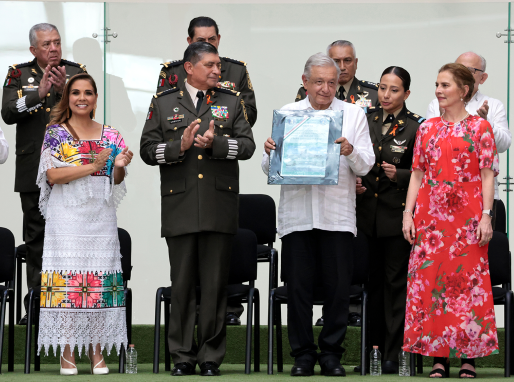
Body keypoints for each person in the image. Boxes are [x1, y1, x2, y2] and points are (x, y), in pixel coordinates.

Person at [140, 41, 255, 377]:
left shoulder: (231, 101)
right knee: (182, 284)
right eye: (210, 65)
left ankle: (209, 357)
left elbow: (246, 146)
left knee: (216, 284)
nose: (217, 71)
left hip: (219, 205)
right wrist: (181, 145)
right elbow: (148, 150)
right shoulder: (163, 103)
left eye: (218, 65)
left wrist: (216, 144)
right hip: (181, 204)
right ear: (189, 68)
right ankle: (181, 356)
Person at [262, 52, 374, 377]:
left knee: (338, 290)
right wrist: (271, 152)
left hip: (337, 217)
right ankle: (302, 355)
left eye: (331, 82)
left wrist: (350, 151)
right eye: (319, 82)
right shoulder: (287, 114)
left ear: (339, 82)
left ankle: (331, 355)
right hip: (297, 216)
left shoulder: (353, 115)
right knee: (298, 289)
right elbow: (269, 169)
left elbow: (366, 164)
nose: (325, 89)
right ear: (305, 82)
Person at [402, 63, 499, 378]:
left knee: (467, 285)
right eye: (437, 85)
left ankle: (468, 358)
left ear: (464, 90)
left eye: (445, 85)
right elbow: (417, 174)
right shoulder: (427, 127)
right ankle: (438, 357)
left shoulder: (479, 127)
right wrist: (408, 213)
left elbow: (487, 175)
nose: (439, 91)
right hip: (430, 218)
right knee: (432, 284)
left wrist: (486, 216)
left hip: (467, 217)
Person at [36, 73, 131, 375]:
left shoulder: (111, 135)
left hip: (100, 218)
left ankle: (97, 352)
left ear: (95, 98)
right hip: (66, 218)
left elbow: (115, 180)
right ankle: (67, 353)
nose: (82, 98)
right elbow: (52, 176)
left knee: (99, 284)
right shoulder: (56, 133)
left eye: (88, 93)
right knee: (69, 283)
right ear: (67, 98)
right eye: (75, 92)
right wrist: (92, 165)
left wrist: (118, 167)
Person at [1, 23, 87, 325]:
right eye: (46, 44)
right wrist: (38, 94)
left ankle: (69, 304)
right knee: (36, 238)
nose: (53, 49)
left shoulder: (75, 71)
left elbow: (88, 111)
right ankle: (38, 307)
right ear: (33, 50)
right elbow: (8, 113)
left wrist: (65, 90)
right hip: (32, 169)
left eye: (57, 43)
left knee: (70, 237)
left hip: (70, 168)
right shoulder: (18, 73)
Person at [354, 66, 425, 374]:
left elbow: (425, 172)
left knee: (396, 287)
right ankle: (371, 354)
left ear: (406, 94)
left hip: (397, 219)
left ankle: (393, 355)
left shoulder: (415, 126)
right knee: (370, 287)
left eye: (393, 90)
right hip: (365, 217)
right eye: (382, 88)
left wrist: (403, 175)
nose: (385, 95)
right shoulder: (364, 119)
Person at [425, 52, 511, 222]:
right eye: (456, 69)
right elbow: (429, 148)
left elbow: (503, 145)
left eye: (468, 70)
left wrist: (486, 125)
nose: (461, 74)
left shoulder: (493, 105)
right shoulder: (437, 104)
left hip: (481, 195)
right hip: (442, 193)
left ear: (483, 78)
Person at [157, 16, 257, 130]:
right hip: (180, 141)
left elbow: (250, 116)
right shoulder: (172, 71)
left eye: (212, 39)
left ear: (218, 39)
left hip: (223, 142)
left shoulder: (236, 70)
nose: (207, 44)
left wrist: (225, 99)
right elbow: (162, 113)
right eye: (201, 40)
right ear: (190, 41)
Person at [295, 40, 378, 114]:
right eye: (336, 61)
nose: (342, 67)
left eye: (347, 60)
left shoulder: (373, 93)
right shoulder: (308, 91)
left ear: (355, 63)